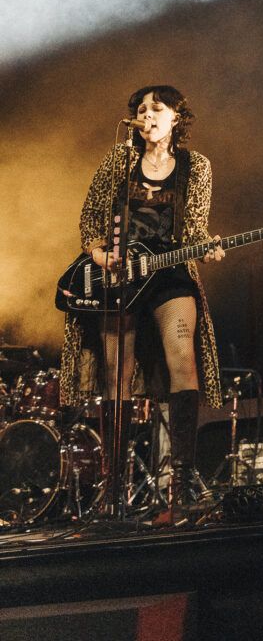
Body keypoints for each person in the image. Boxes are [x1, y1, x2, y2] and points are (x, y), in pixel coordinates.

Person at [59, 84, 225, 510]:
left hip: (169, 272)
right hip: (120, 276)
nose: (146, 115)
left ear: (176, 118)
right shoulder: (119, 159)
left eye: (157, 108)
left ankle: (182, 481)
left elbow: (195, 227)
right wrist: (98, 252)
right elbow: (91, 214)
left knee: (182, 361)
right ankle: (114, 487)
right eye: (141, 109)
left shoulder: (196, 166)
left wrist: (207, 248)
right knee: (118, 370)